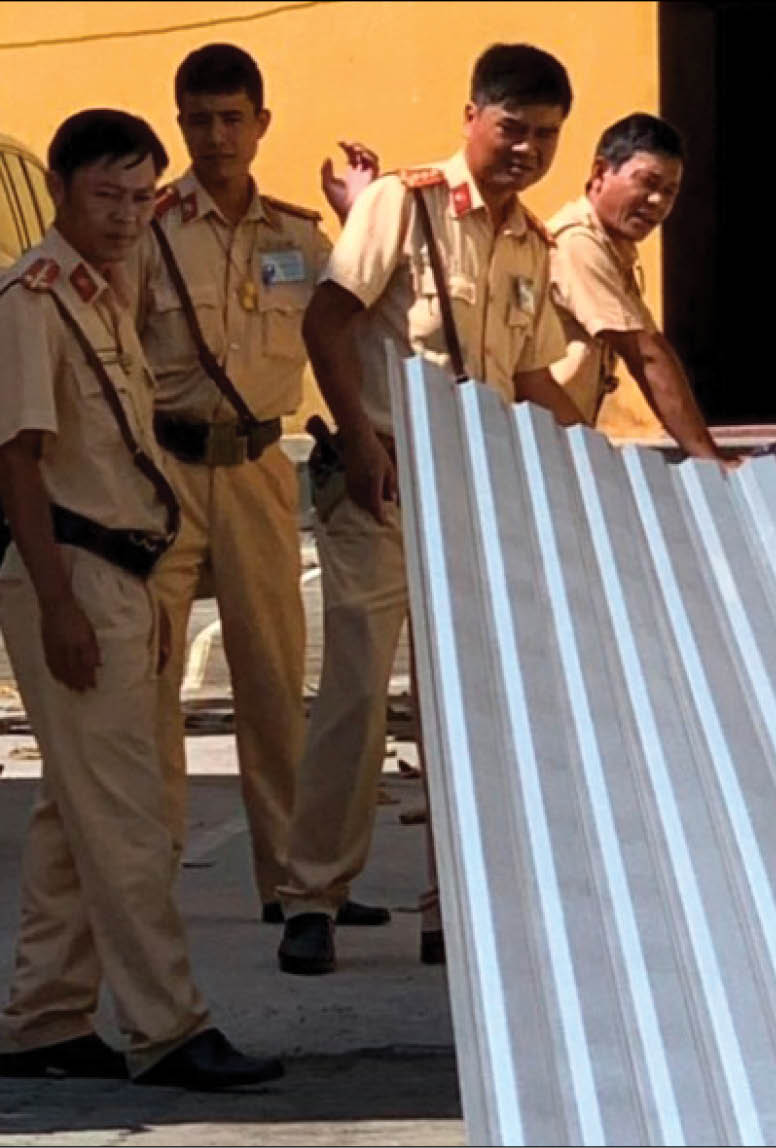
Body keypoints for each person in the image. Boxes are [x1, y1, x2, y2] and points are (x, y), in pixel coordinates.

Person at [0, 107, 281, 1089]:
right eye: (105, 195)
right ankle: (167, 1026)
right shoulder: (32, 299)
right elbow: (18, 461)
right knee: (129, 821)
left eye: (141, 197)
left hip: (128, 573)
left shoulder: (105, 290)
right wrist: (59, 604)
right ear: (59, 189)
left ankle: (44, 1018)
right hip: (74, 571)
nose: (124, 214)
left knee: (79, 813)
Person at [277, 43, 581, 975]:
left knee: (470, 707)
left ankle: (455, 905)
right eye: (513, 128)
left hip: (476, 496)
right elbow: (327, 320)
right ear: (471, 117)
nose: (527, 149)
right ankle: (312, 897)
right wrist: (359, 440)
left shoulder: (531, 243)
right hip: (384, 485)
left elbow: (532, 378)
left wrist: (601, 465)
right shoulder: (400, 205)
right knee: (358, 694)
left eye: (546, 135)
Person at [137, 43, 386, 927]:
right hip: (164, 471)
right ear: (180, 125)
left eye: (232, 119)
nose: (216, 137)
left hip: (256, 470)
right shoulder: (150, 231)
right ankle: (145, 879)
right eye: (199, 121)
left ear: (261, 123)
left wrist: (359, 217)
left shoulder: (299, 236)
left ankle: (293, 879)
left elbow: (355, 327)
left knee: (276, 682)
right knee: (151, 679)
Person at [548, 112, 734, 462]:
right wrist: (712, 461)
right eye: (647, 183)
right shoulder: (577, 243)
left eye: (669, 192)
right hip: (542, 444)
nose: (657, 202)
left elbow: (652, 342)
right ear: (600, 172)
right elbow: (645, 354)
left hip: (565, 440)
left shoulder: (613, 249)